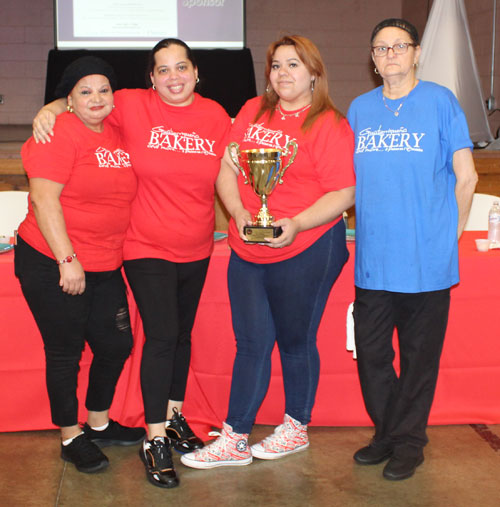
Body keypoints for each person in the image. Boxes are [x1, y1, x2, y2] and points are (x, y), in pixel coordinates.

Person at [33, 39, 231, 488]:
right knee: (161, 336)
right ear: (151, 78)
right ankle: (154, 437)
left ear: (196, 72)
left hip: (197, 243)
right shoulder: (130, 105)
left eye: (181, 67)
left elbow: (222, 168)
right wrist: (48, 109)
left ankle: (175, 416)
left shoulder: (216, 115)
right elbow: (82, 96)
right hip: (145, 245)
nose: (173, 76)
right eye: (163, 70)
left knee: (181, 335)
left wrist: (238, 213)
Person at [180, 35, 356, 470]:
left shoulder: (329, 123)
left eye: (294, 65)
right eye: (276, 66)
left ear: (314, 73)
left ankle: (295, 428)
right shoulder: (251, 111)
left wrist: (295, 223)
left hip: (308, 247)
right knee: (252, 341)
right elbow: (225, 164)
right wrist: (238, 210)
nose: (283, 74)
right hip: (248, 246)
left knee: (296, 341)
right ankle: (236, 435)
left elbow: (344, 191)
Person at [346, 18, 478, 481]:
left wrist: (450, 235)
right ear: (373, 58)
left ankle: (408, 443)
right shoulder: (359, 109)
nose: (390, 56)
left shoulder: (441, 102)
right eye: (380, 49)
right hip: (374, 263)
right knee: (373, 356)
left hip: (427, 264)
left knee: (420, 360)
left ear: (416, 53)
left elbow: (467, 177)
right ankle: (388, 432)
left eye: (398, 47)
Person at [15, 56, 145, 474]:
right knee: (65, 351)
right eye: (84, 91)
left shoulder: (118, 130)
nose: (96, 98)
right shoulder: (56, 133)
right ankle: (71, 436)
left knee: (116, 344)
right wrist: (67, 260)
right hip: (53, 259)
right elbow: (44, 199)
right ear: (68, 98)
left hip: (105, 262)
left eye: (104, 89)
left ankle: (99, 422)